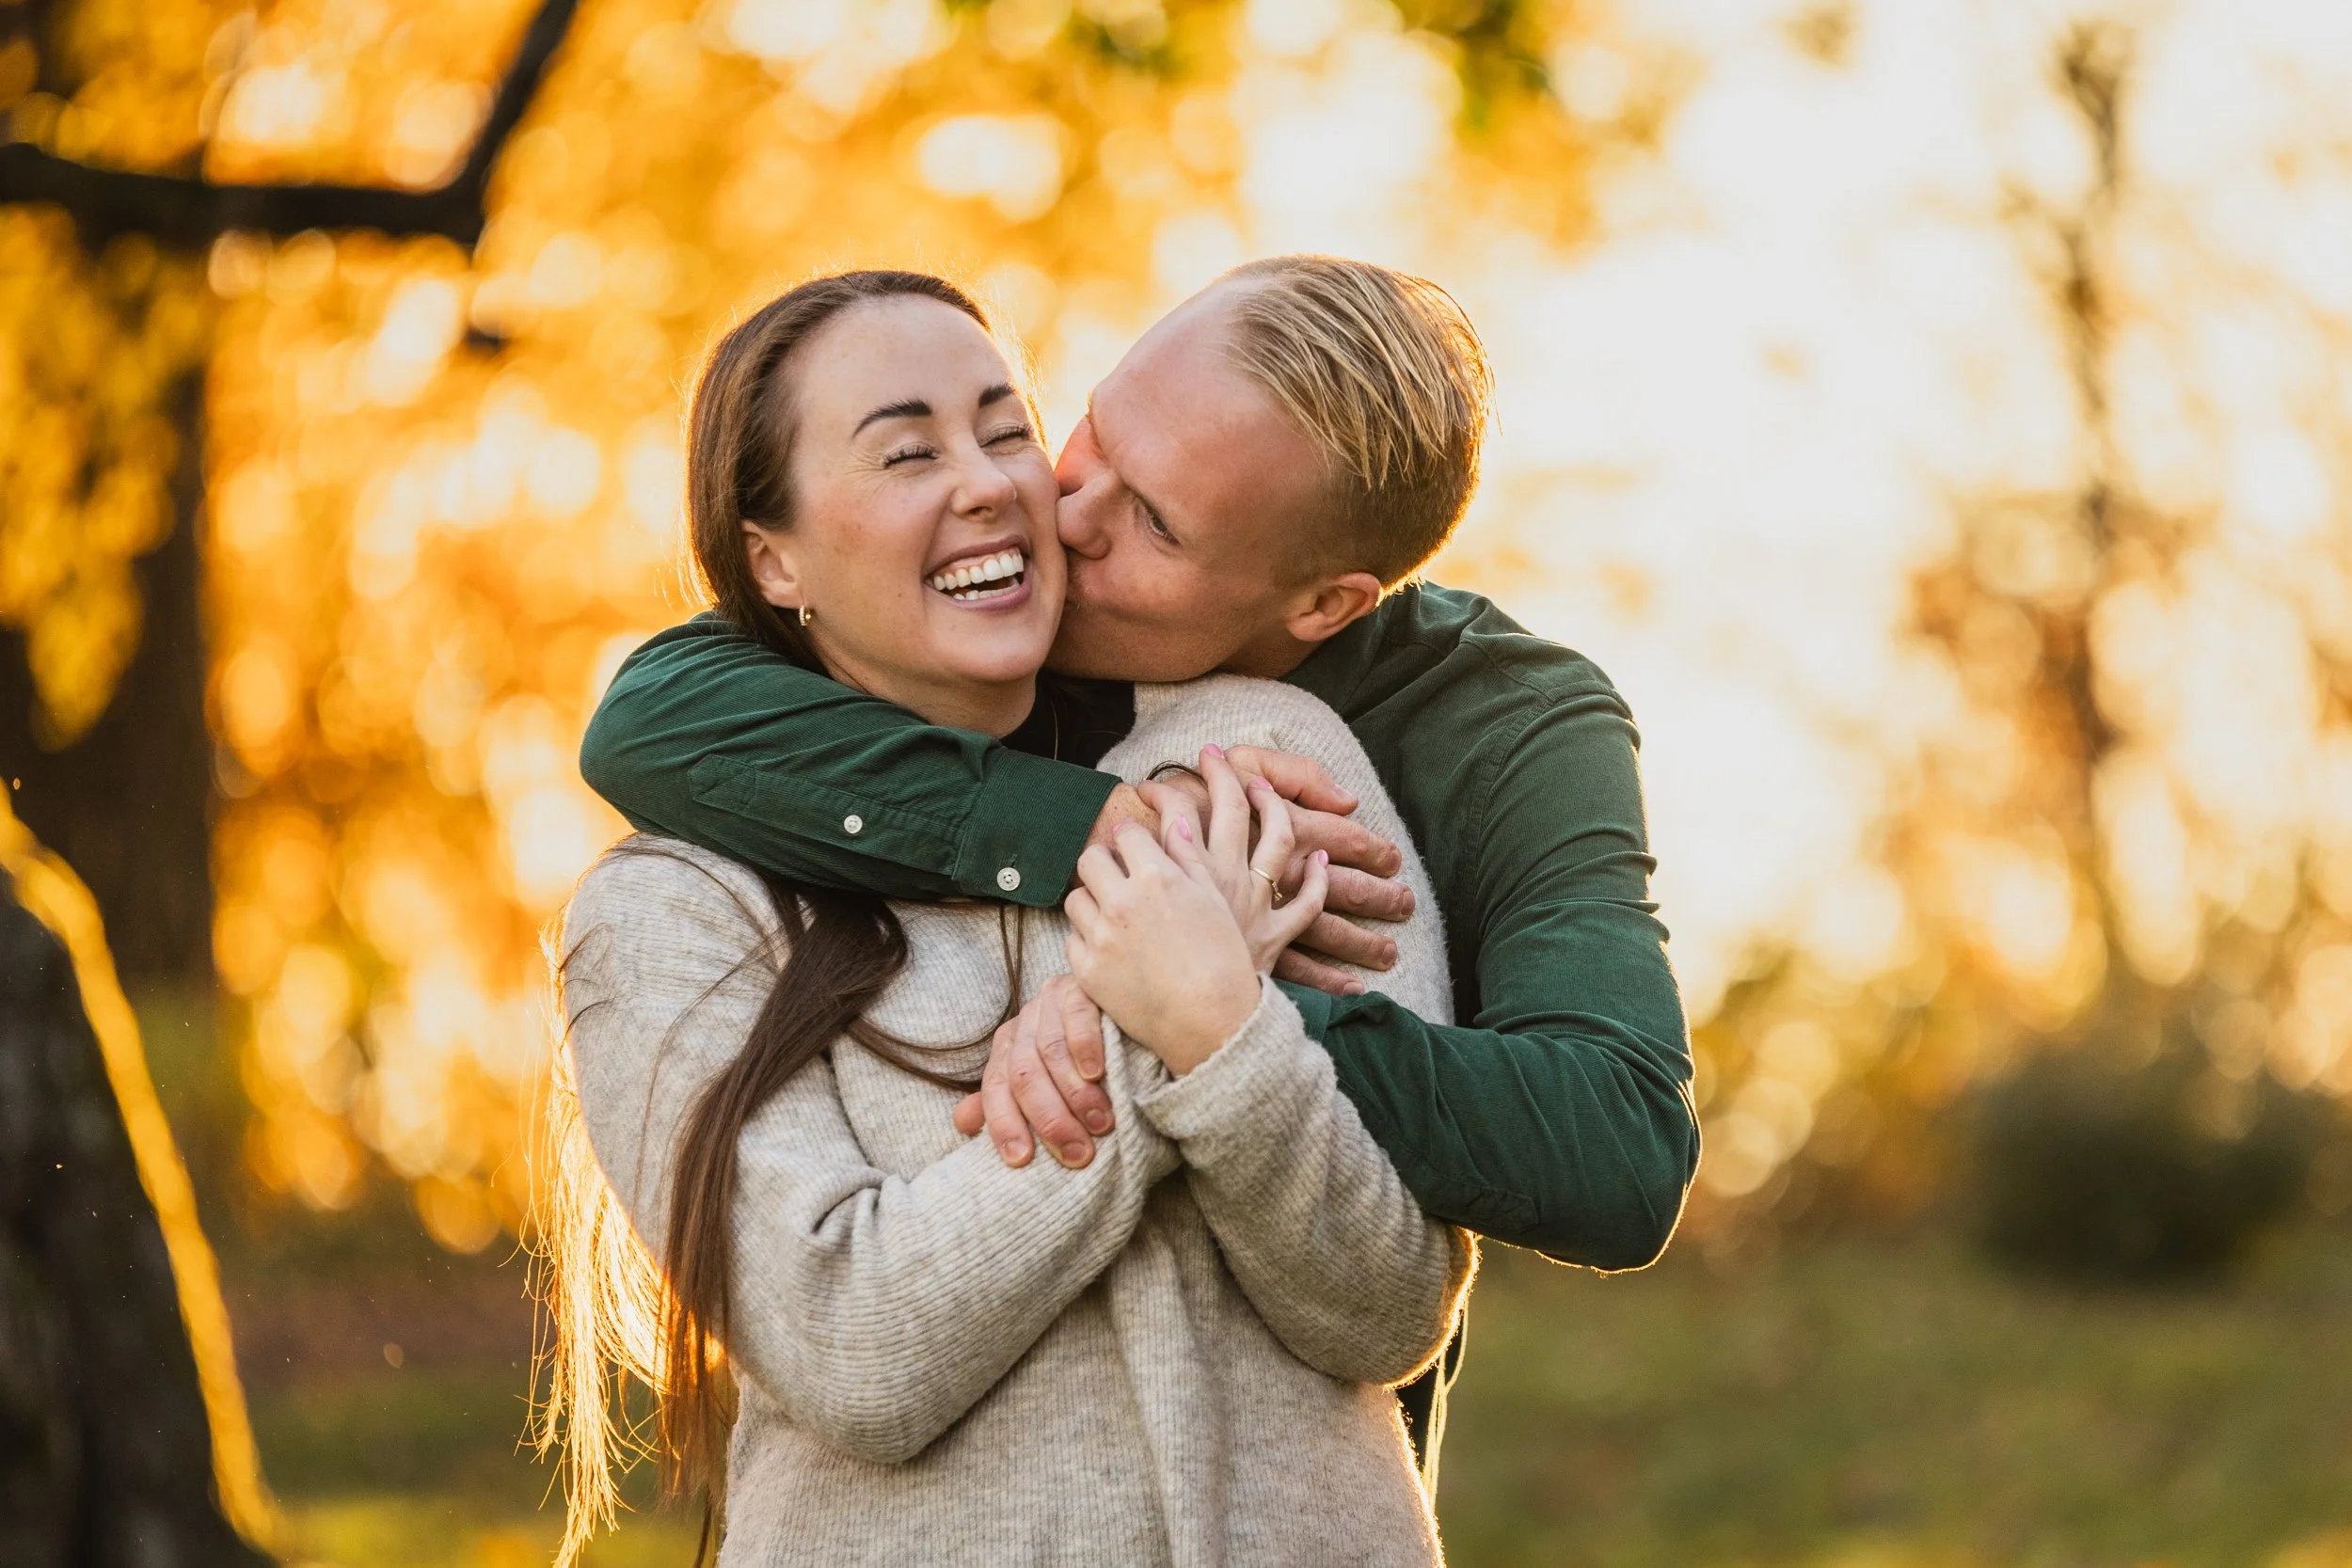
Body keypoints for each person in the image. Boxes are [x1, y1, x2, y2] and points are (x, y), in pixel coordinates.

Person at [580, 253, 1700, 1448]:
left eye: (1153, 523)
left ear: (1323, 605)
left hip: (1292, 1434)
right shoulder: (1008, 600)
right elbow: (653, 715)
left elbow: (1617, 1141)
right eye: (1094, 432)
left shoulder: (1507, 723)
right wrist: (1095, 832)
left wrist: (1204, 1009)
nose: (1061, 515)